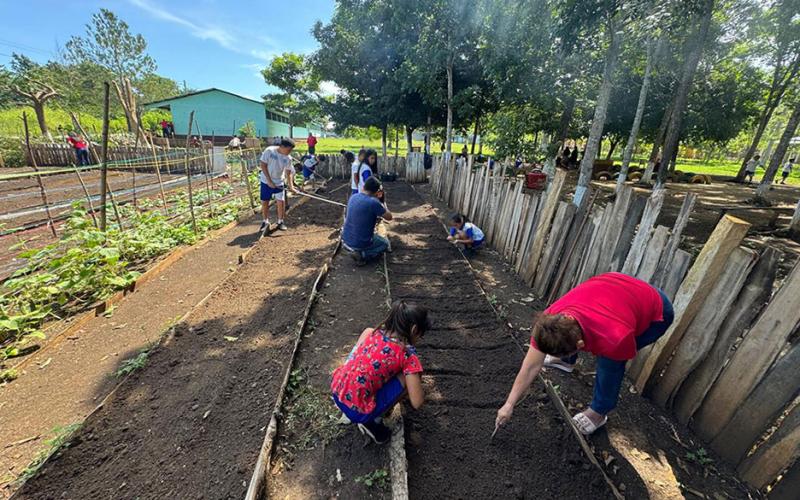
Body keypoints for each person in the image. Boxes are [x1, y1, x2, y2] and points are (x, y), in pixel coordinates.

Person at [496, 272, 674, 435]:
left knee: (610, 365)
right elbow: (530, 366)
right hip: (615, 287)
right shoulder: (550, 320)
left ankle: (599, 412)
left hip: (656, 311)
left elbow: (615, 368)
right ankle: (565, 361)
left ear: (581, 345)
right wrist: (509, 404)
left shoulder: (615, 338)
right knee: (565, 341)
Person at [331, 300, 430, 443]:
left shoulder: (372, 332)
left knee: (371, 369)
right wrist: (416, 378)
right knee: (408, 374)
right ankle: (373, 422)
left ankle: (353, 397)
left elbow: (354, 360)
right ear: (414, 330)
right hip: (357, 411)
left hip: (337, 391)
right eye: (420, 335)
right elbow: (417, 402)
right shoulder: (407, 356)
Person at [342, 177, 393, 265]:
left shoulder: (353, 196)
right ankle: (363, 254)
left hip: (346, 239)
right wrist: (382, 202)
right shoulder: (373, 203)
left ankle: (356, 250)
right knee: (385, 244)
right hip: (360, 242)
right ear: (377, 192)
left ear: (364, 187)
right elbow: (389, 217)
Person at [258, 138, 297, 232]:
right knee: (265, 201)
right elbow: (263, 165)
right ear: (282, 147)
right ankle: (265, 221)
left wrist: (291, 186)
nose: (289, 152)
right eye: (289, 150)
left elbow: (288, 172)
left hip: (279, 181)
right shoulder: (269, 151)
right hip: (266, 181)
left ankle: (280, 221)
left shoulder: (288, 158)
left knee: (281, 202)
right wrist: (269, 181)